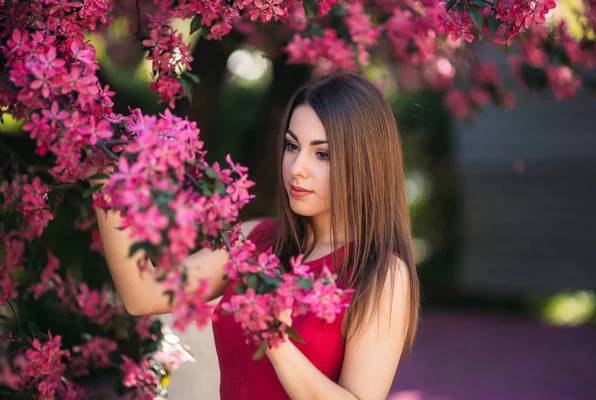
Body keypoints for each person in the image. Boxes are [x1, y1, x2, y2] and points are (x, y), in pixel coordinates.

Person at [91, 72, 420, 400]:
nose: (296, 168)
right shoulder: (254, 241)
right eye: (292, 146)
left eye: (323, 154)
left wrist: (278, 343)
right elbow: (143, 293)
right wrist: (103, 180)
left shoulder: (381, 275)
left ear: (363, 162)